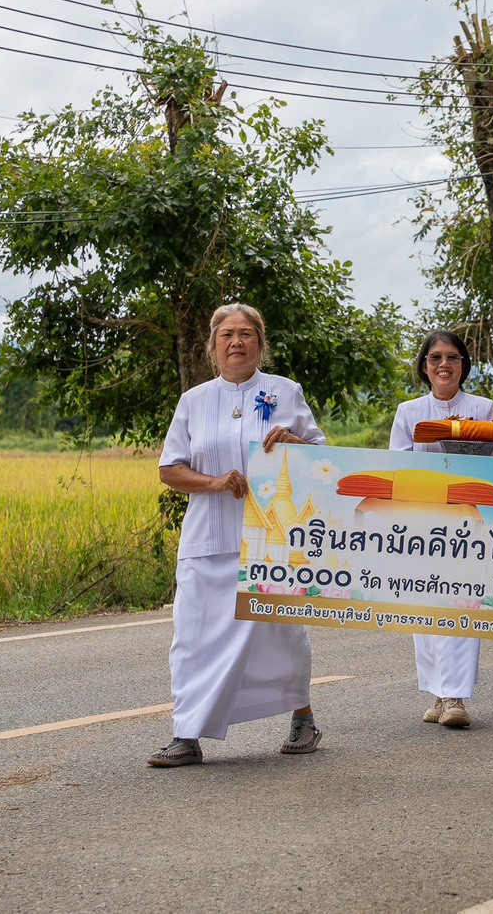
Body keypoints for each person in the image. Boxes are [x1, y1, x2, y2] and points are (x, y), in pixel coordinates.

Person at [151, 303, 325, 767]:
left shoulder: (286, 392)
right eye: (227, 334)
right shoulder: (194, 400)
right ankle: (186, 735)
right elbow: (170, 468)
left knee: (282, 633)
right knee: (193, 636)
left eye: (247, 333)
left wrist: (295, 445)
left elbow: (325, 458)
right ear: (213, 346)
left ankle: (303, 719)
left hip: (271, 537)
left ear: (260, 344)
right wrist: (213, 484)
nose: (237, 341)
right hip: (208, 538)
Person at [390, 330, 493, 729]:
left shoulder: (482, 407)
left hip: (465, 520)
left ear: (464, 365)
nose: (444, 364)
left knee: (461, 603)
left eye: (453, 358)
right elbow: (397, 466)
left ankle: (455, 695)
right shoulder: (408, 411)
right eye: (436, 357)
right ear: (424, 366)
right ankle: (438, 693)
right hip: (421, 522)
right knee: (425, 606)